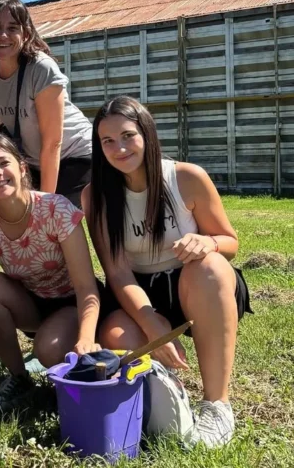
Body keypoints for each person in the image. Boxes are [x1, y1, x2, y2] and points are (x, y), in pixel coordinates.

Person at [82, 96, 252, 448]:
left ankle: (217, 404)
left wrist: (208, 243)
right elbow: (117, 273)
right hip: (138, 290)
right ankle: (173, 399)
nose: (119, 148)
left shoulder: (185, 177)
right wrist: (151, 322)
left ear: (146, 133)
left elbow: (230, 241)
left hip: (196, 281)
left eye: (128, 136)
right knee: (116, 336)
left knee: (210, 267)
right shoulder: (95, 196)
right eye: (108, 141)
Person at [0, 132, 102, 410]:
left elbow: (86, 286)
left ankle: (89, 347)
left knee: (48, 350)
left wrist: (86, 338)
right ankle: (19, 376)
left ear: (22, 168)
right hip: (31, 304)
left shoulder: (55, 209)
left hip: (72, 303)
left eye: (4, 162)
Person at [0, 0, 92, 206]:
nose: (3, 35)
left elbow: (53, 143)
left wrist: (45, 203)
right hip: (35, 161)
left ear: (26, 34)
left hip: (74, 154)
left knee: (55, 216)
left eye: (12, 28)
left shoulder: (41, 68)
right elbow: (1, 116)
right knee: (21, 214)